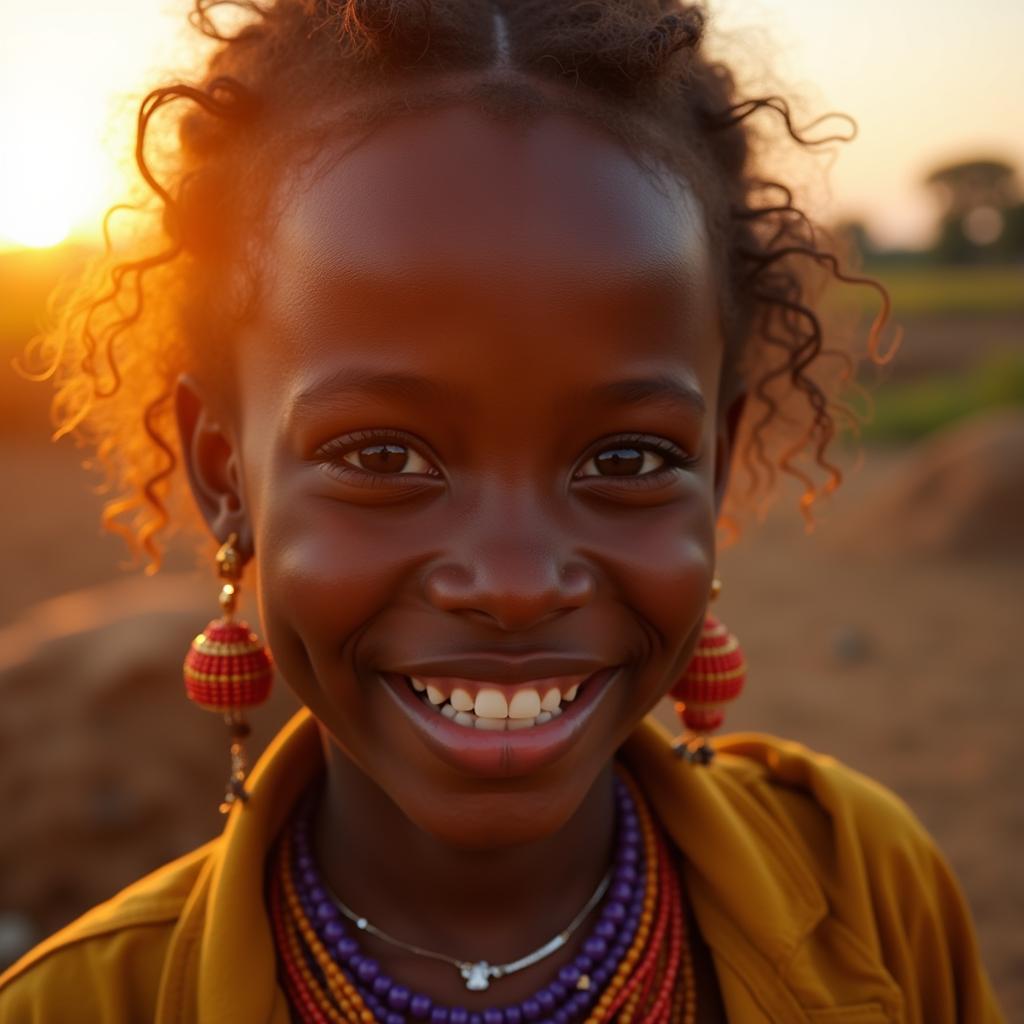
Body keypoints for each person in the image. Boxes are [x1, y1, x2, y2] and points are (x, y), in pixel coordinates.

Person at [0, 1, 1005, 1021]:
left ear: (717, 460)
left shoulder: (868, 895)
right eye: (382, 455)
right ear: (226, 474)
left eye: (628, 456)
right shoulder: (80, 1004)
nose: (517, 582)